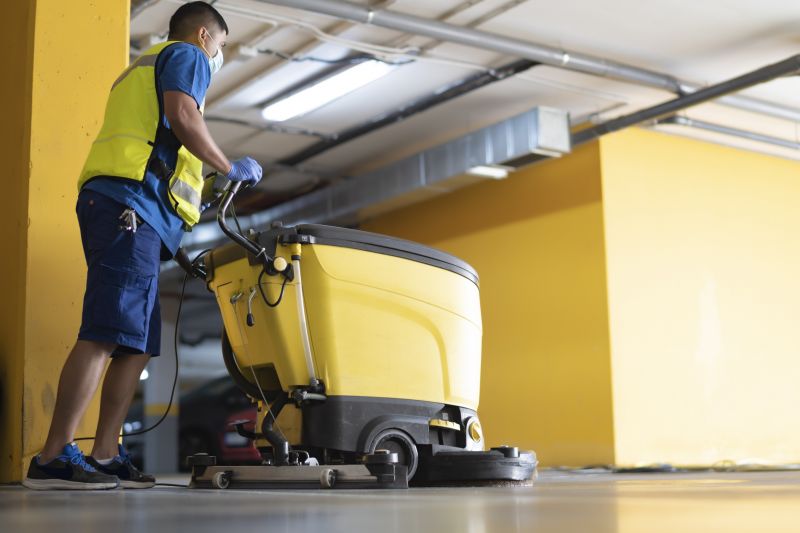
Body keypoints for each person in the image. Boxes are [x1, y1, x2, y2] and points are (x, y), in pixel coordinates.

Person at [23, 2, 262, 490]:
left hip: (136, 216)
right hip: (126, 208)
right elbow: (182, 117)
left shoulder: (143, 68)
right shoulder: (186, 55)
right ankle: (51, 458)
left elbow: (159, 149)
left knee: (135, 343)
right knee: (106, 330)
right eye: (220, 46)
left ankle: (107, 454)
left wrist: (172, 244)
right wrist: (227, 165)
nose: (218, 57)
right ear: (204, 36)